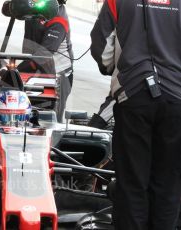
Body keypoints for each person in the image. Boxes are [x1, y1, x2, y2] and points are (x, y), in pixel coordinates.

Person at [91, 0, 181, 229]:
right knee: (169, 182)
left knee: (132, 181)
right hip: (176, 100)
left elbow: (103, 53)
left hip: (134, 95)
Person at [17, 0, 74, 123]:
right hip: (34, 73)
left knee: (50, 121)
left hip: (57, 77)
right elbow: (7, 10)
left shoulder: (59, 19)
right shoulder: (35, 7)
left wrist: (15, 72)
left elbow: (43, 56)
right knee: (24, 116)